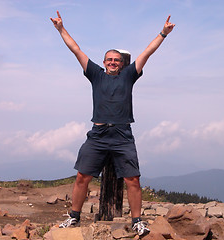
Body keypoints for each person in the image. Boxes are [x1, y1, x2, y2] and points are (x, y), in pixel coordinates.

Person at [50, 11, 175, 236]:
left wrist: (163, 33)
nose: (113, 63)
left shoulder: (129, 75)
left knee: (133, 179)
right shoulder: (96, 75)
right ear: (104, 61)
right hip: (98, 133)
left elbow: (147, 52)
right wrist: (61, 29)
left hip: (122, 134)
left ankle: (137, 220)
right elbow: (76, 49)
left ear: (122, 63)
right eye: (109, 59)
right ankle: (74, 217)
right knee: (82, 177)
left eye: (116, 60)